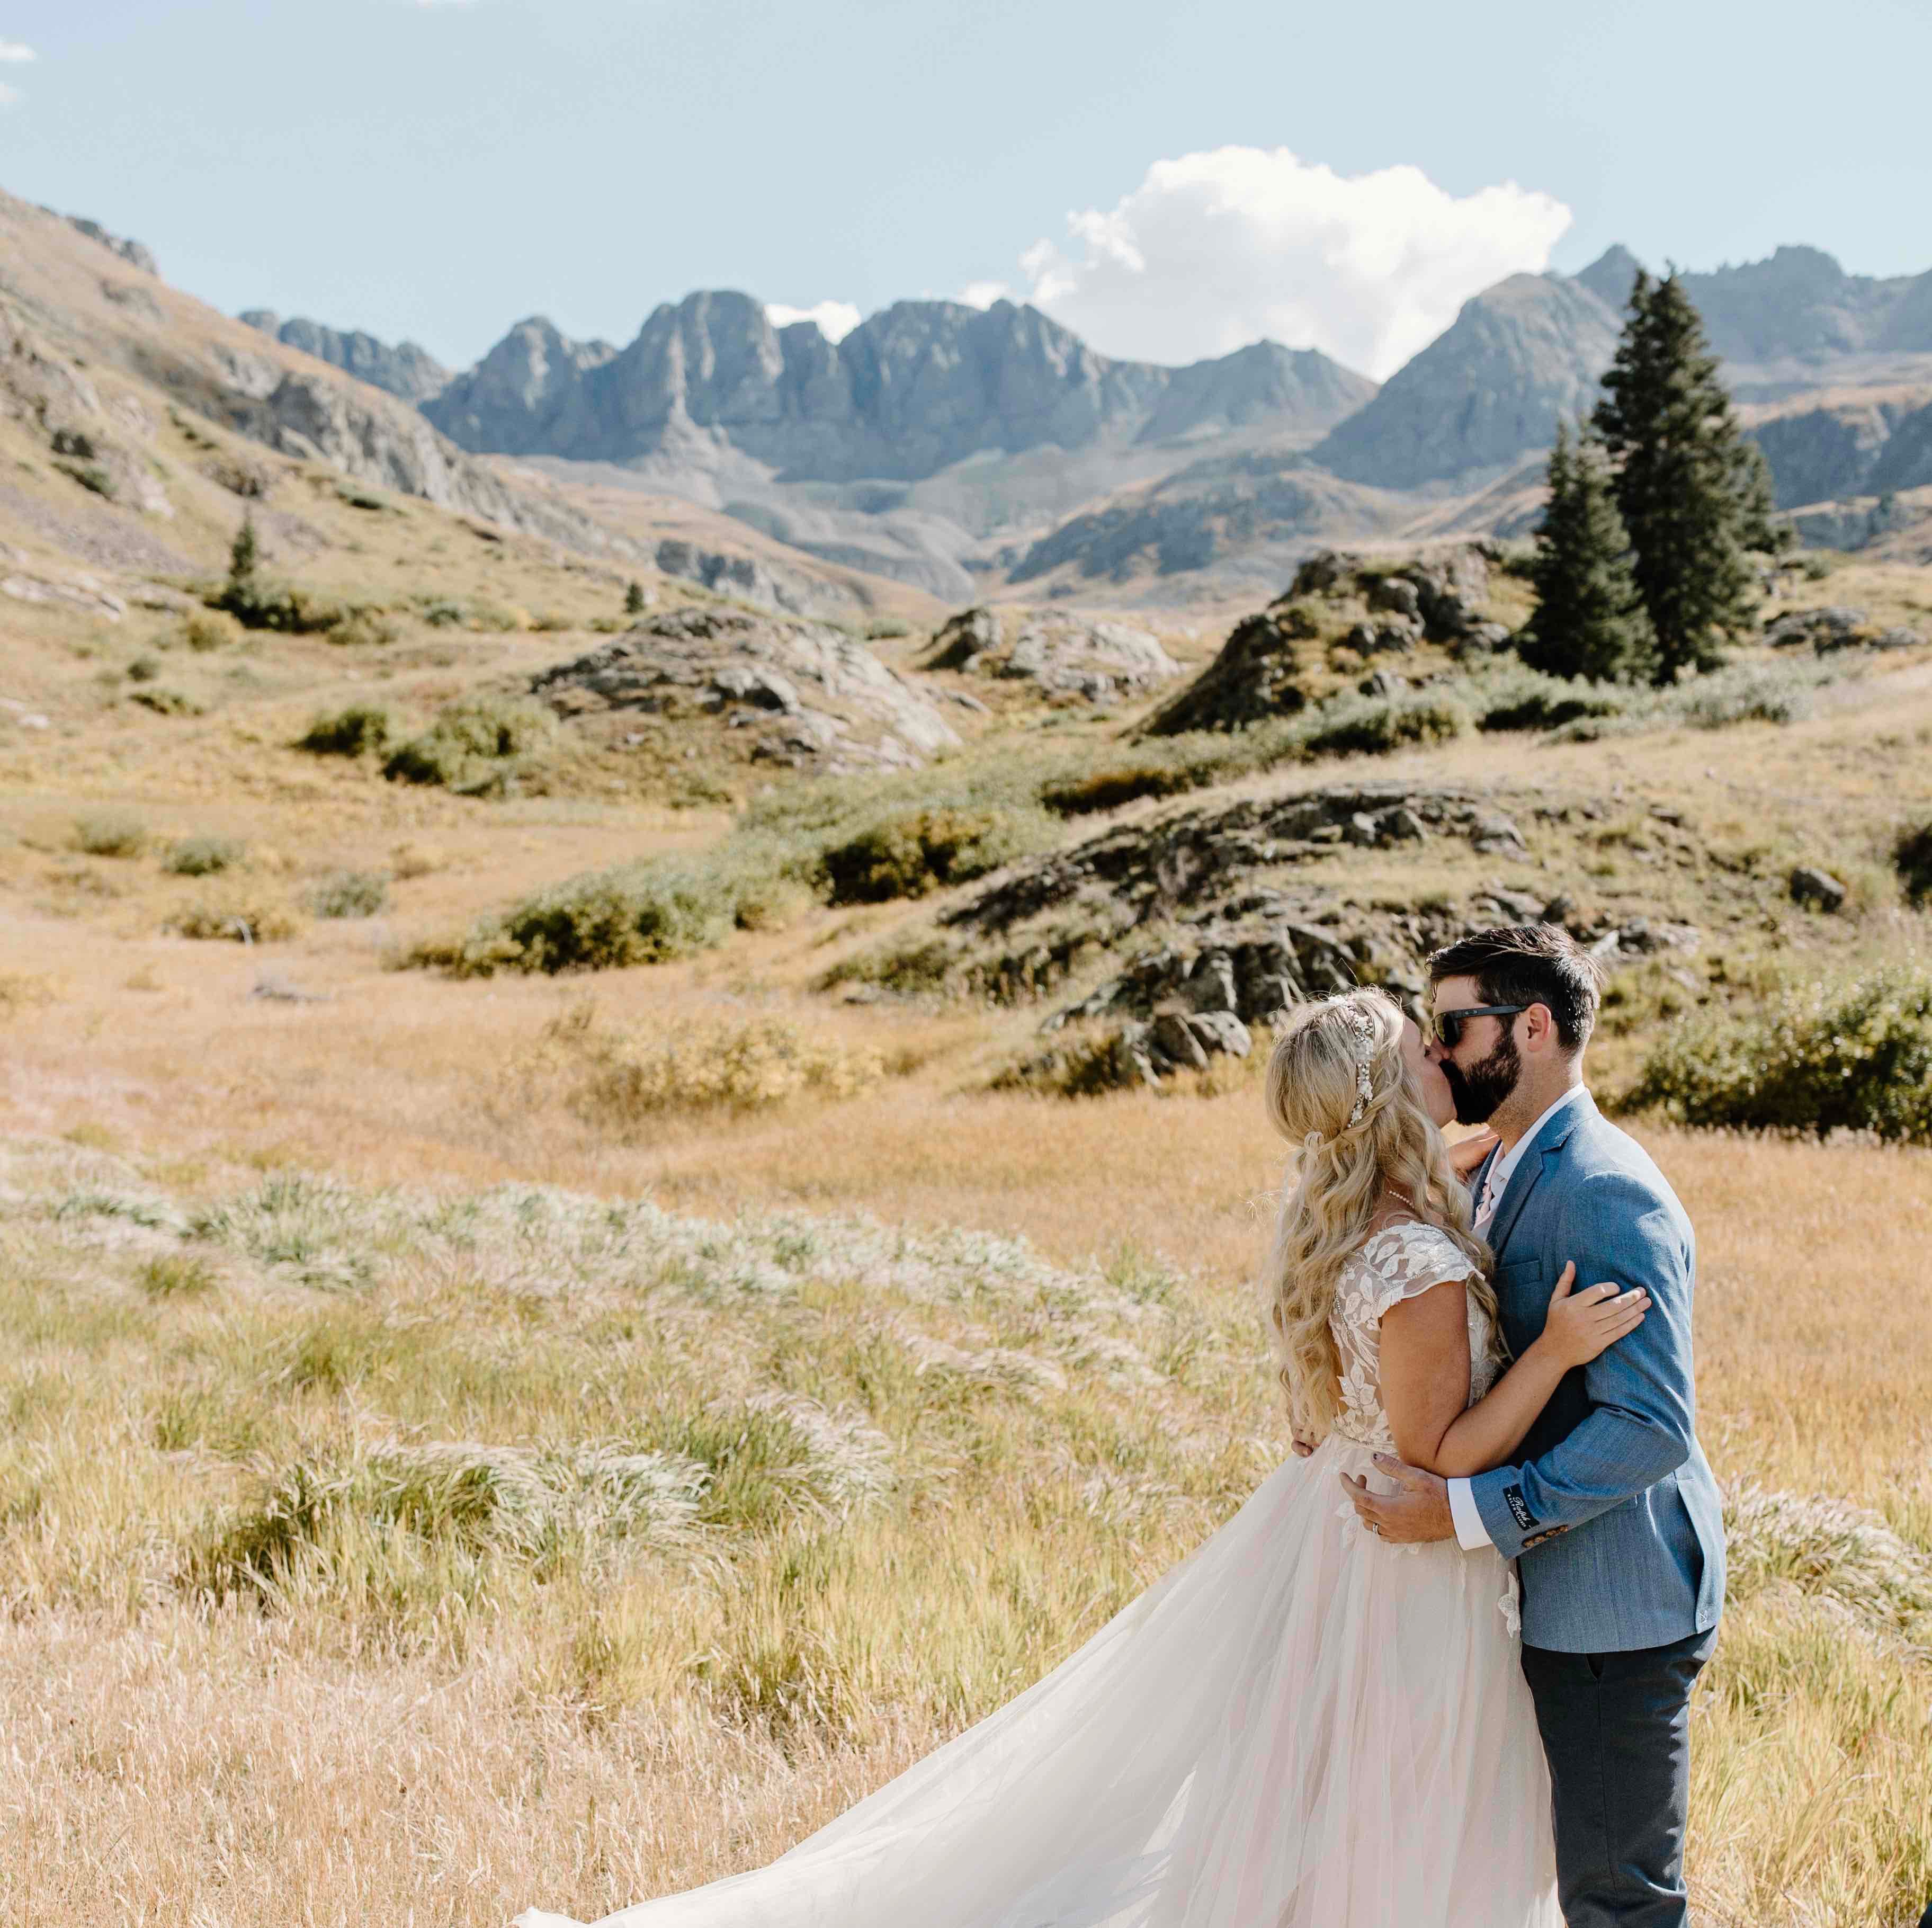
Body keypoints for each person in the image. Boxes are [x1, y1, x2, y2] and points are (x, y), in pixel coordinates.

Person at [517, 986, 1650, 1928]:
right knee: (1395, 1812)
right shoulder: (1415, 1260)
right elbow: (1438, 1450)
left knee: (1312, 1802)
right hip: (1402, 1570)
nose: (1442, 1054)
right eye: (1421, 1046)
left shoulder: (1345, 1215)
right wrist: (1550, 1353)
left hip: (1330, 1541)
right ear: (1395, 1092)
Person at [1345, 925, 1725, 1928]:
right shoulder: (1498, 1159)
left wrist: (1470, 1512)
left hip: (1616, 1602)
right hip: (1540, 1597)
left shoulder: (1606, 1190)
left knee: (1617, 1901)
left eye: (1455, 1027)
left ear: (1536, 1027)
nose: (1441, 1051)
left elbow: (1650, 1429)